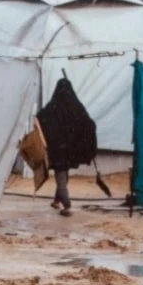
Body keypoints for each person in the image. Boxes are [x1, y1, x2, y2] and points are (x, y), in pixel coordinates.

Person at [37, 78, 98, 218]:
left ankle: (67, 204)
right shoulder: (76, 106)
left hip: (57, 149)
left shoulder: (52, 107)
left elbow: (40, 118)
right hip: (70, 150)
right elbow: (88, 124)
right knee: (63, 174)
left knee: (61, 176)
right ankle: (57, 200)